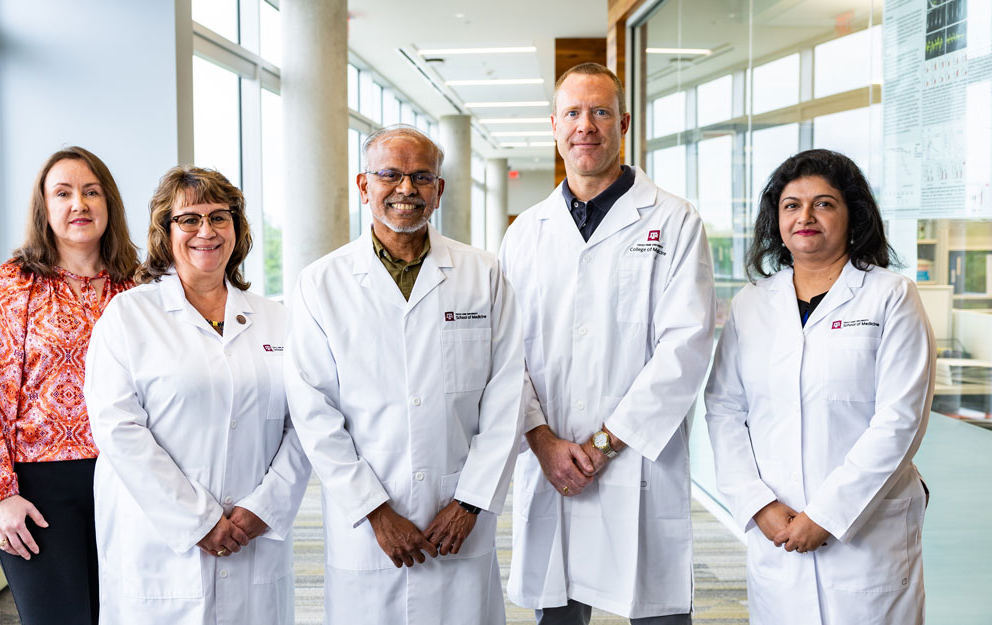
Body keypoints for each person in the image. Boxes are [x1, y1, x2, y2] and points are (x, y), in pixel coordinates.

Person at [499, 62, 716, 624]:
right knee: (560, 613)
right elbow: (502, 353)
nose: (585, 126)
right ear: (554, 125)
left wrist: (604, 443)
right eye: (572, 112)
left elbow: (685, 347)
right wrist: (542, 440)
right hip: (551, 460)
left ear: (622, 122)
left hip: (635, 461)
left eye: (599, 112)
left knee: (656, 610)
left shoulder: (673, 221)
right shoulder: (526, 232)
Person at [283, 125, 524, 625]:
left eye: (421, 177)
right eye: (389, 175)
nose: (406, 189)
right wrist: (374, 509)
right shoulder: (320, 283)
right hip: (367, 528)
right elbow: (313, 411)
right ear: (363, 184)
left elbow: (506, 396)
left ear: (440, 189)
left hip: (459, 515)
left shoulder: (484, 275)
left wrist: (470, 503)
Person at [704, 149, 934, 624]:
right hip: (777, 528)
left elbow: (899, 420)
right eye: (791, 205)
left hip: (865, 537)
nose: (805, 216)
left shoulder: (890, 296)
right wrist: (757, 503)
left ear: (853, 216)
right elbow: (724, 409)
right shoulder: (752, 304)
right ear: (777, 221)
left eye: (824, 204)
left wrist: (828, 514)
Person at [84, 166, 311, 624]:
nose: (205, 231)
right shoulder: (129, 316)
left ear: (237, 228)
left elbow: (305, 422)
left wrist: (265, 506)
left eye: (219, 217)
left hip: (253, 535)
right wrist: (198, 519)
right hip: (161, 544)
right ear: (165, 232)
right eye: (189, 219)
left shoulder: (277, 319)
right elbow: (118, 429)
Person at [0, 146, 139, 624]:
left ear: (109, 204)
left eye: (91, 191)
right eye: (63, 192)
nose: (79, 203)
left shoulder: (139, 286)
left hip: (129, 477)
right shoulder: (13, 285)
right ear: (45, 207)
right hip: (38, 489)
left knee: (123, 615)